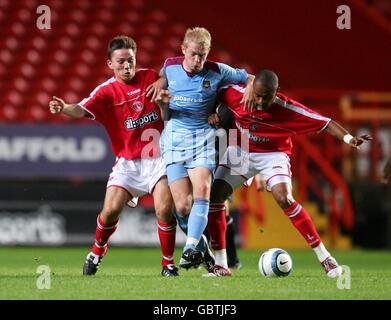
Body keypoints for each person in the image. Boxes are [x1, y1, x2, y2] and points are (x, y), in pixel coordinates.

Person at [205, 69, 373, 277]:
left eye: (265, 97)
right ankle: (221, 264)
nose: (258, 101)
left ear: (276, 93)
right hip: (241, 150)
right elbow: (212, 91)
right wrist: (214, 111)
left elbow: (326, 123)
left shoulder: (289, 109)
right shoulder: (238, 95)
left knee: (284, 198)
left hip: (273, 154)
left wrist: (349, 139)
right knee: (214, 197)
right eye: (256, 94)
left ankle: (326, 258)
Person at [48, 35, 180, 277]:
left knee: (164, 208)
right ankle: (97, 251)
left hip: (159, 158)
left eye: (130, 60)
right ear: (110, 64)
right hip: (128, 163)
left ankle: (168, 264)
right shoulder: (107, 92)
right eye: (120, 62)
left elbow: (176, 67)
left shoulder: (151, 77)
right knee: (109, 212)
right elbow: (80, 108)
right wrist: (64, 107)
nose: (126, 66)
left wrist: (162, 79)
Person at [153, 27, 255, 270]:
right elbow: (161, 74)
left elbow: (249, 77)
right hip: (175, 142)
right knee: (182, 207)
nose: (198, 60)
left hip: (203, 141)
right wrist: (160, 82)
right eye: (194, 54)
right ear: (184, 50)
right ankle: (202, 250)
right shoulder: (170, 66)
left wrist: (250, 85)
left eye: (203, 55)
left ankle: (189, 249)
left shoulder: (218, 70)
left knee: (203, 191)